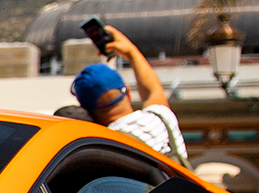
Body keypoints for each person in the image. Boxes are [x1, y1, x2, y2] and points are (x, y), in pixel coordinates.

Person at [71, 28, 187, 162]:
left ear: (88, 112)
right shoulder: (160, 119)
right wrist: (131, 52)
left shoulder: (106, 147)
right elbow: (153, 91)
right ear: (128, 92)